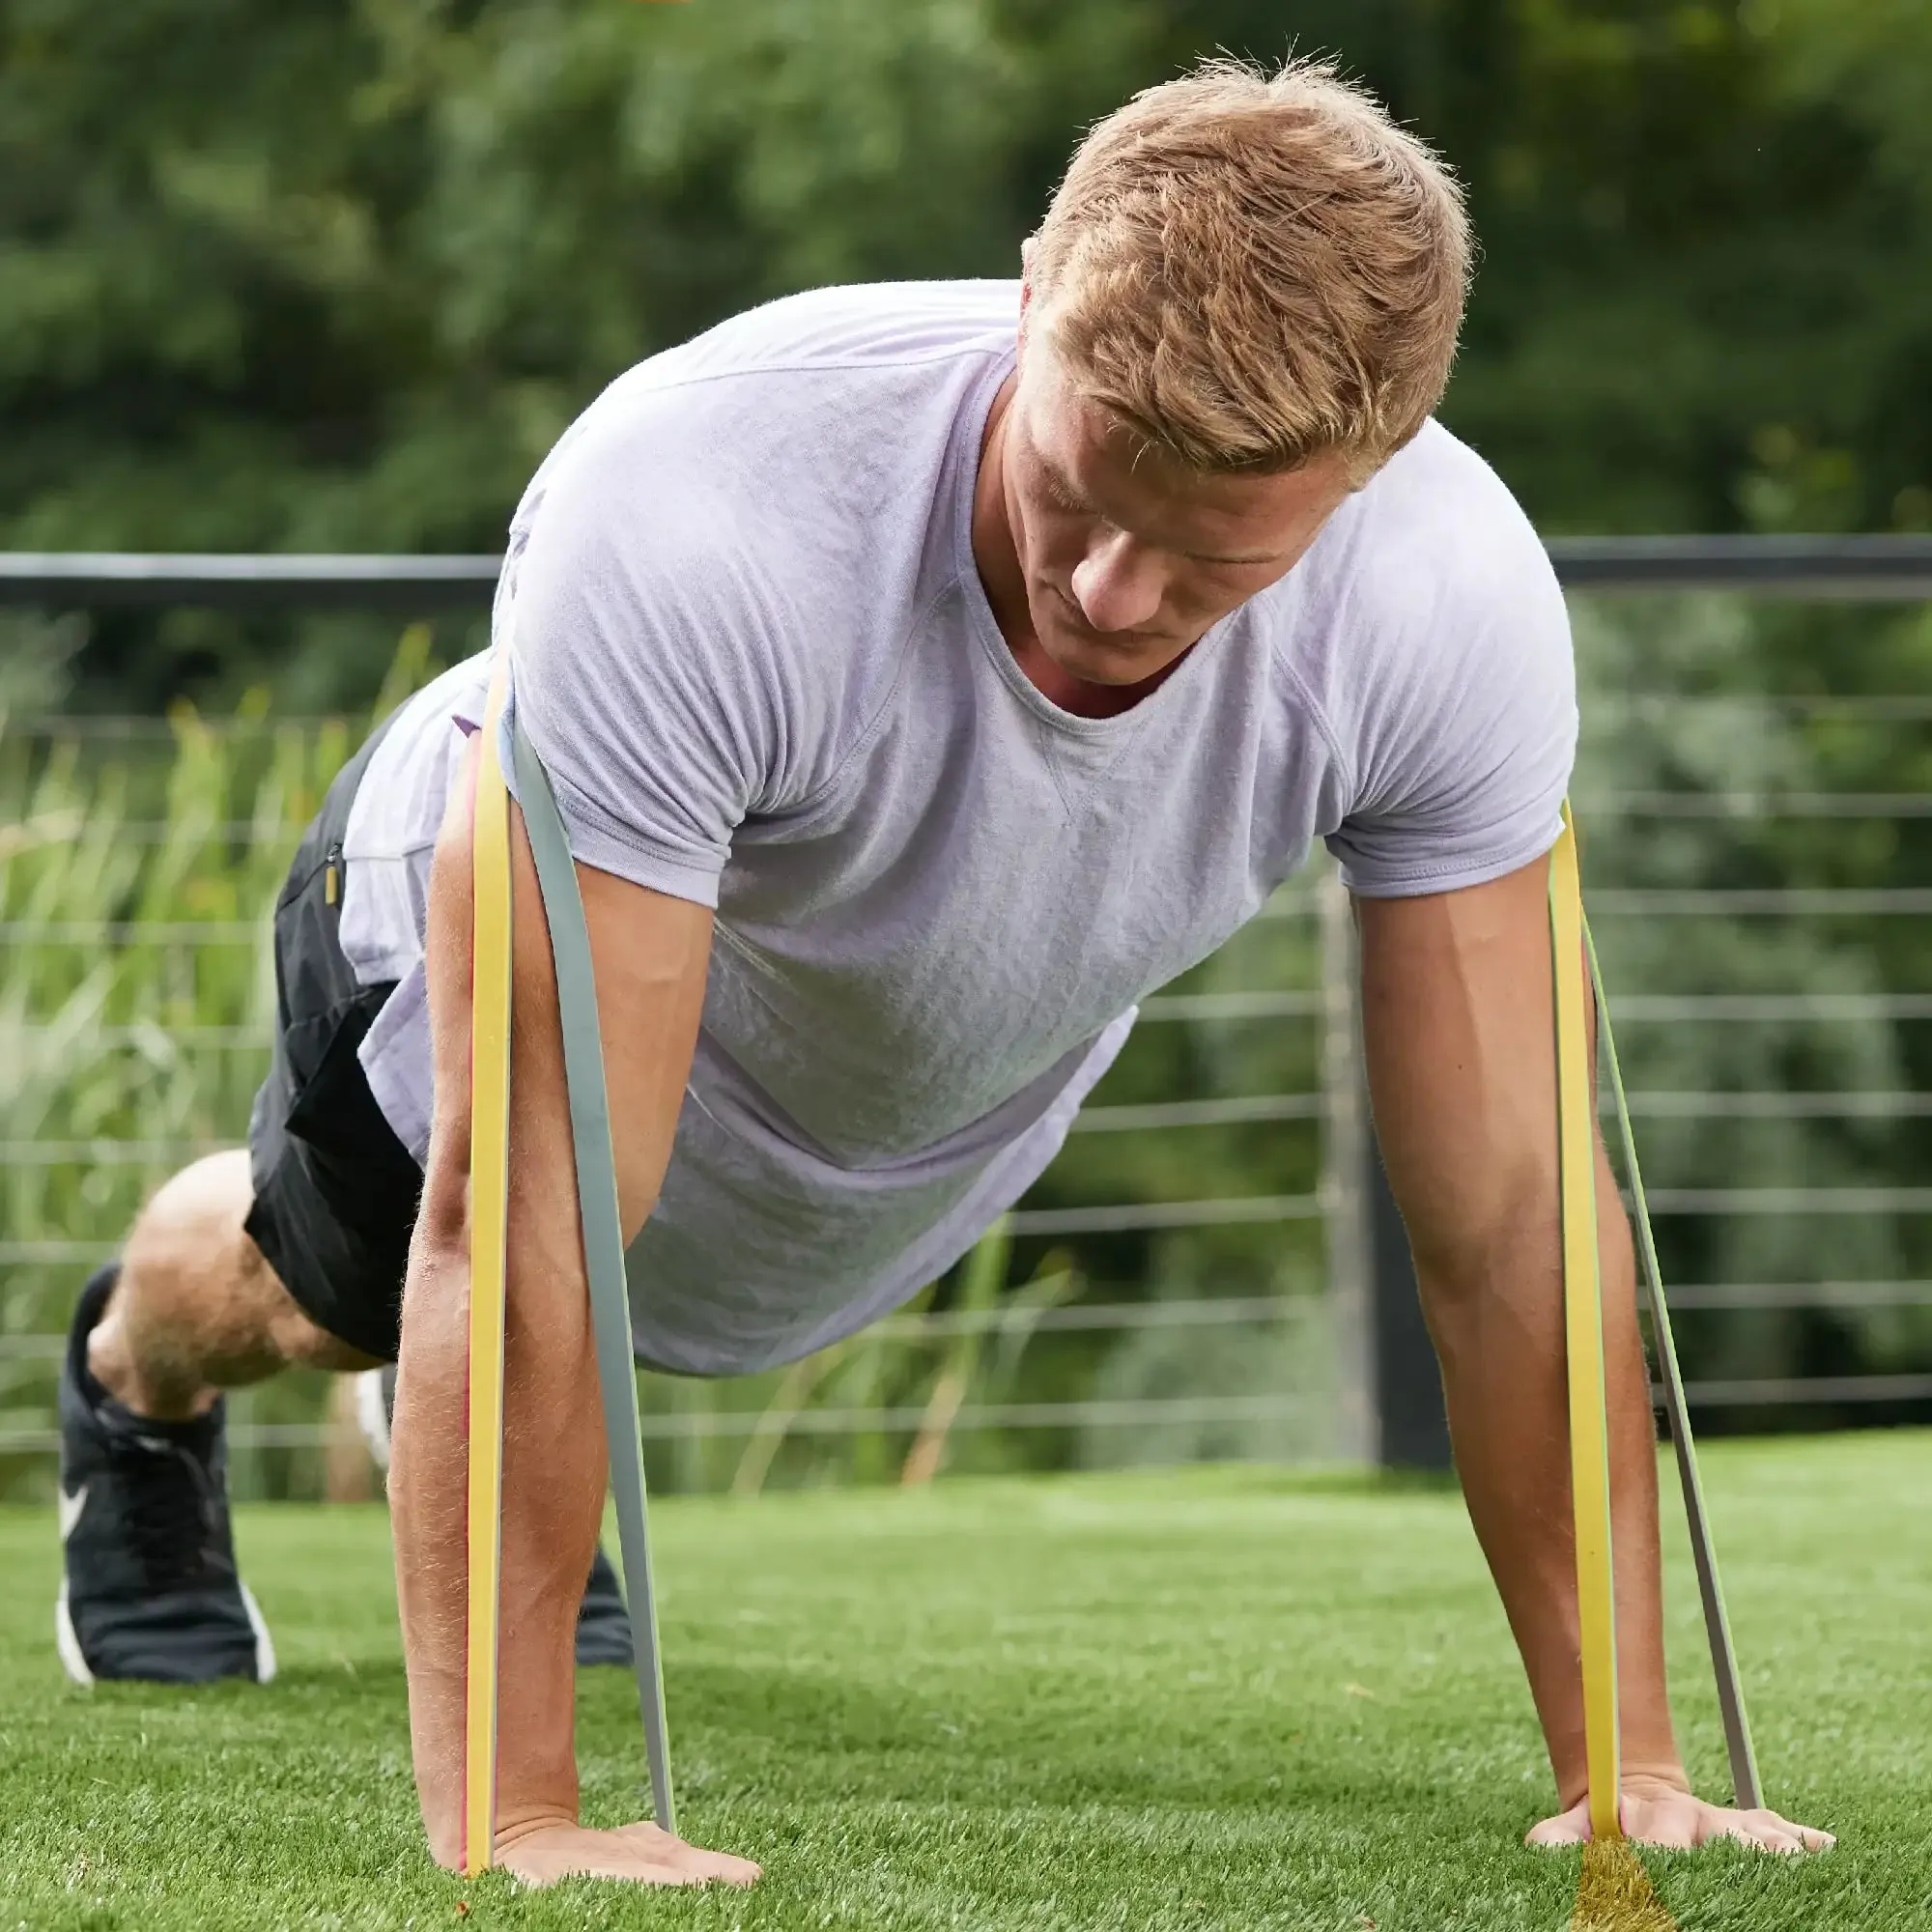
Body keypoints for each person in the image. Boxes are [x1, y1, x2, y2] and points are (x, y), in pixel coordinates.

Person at [55, 57, 1832, 1887]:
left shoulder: (1445, 602)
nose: (1116, 596)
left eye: (1214, 556)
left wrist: (1628, 1765)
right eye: (1079, 492)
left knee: (564, 1323)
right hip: (481, 932)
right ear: (1028, 296)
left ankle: (488, 1445)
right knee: (322, 1294)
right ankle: (133, 1381)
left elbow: (1519, 1223)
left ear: (1363, 478)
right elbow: (524, 1230)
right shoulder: (697, 500)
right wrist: (526, 1820)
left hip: (892, 1105)